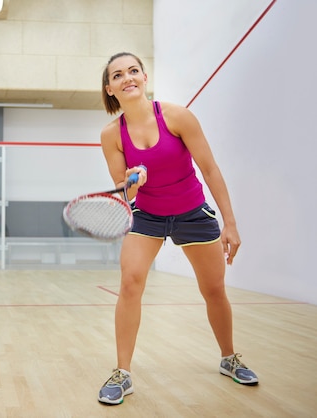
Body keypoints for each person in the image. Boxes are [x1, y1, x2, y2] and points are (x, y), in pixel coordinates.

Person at [97, 52, 258, 405]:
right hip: (147, 216)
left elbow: (210, 170)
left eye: (134, 71)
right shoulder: (111, 135)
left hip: (192, 212)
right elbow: (125, 191)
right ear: (110, 88)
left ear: (144, 76)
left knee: (214, 289)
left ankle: (229, 358)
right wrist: (133, 180)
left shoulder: (177, 117)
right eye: (118, 75)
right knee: (130, 282)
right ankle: (122, 374)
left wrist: (230, 224)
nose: (128, 78)